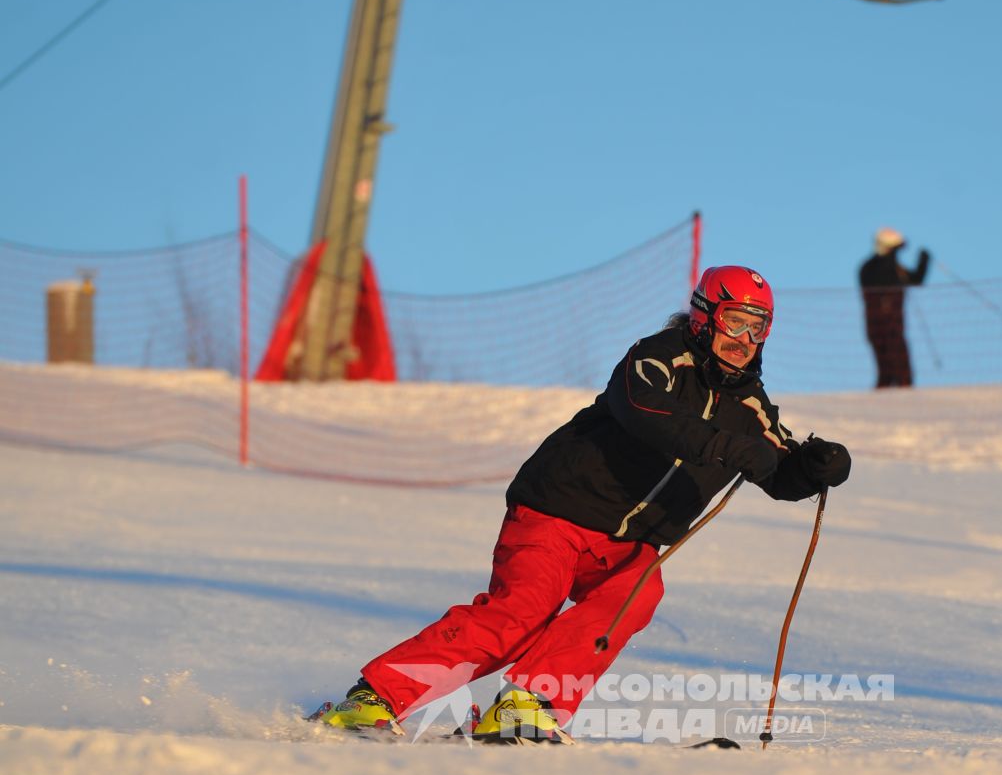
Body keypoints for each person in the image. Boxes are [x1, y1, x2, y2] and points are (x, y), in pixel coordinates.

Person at [315, 264, 852, 742]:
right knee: (521, 613)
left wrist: (815, 467)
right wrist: (734, 447)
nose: (746, 338)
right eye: (736, 321)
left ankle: (529, 701)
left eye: (760, 327)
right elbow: (647, 414)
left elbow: (777, 468)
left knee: (636, 596)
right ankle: (377, 696)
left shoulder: (750, 404)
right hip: (558, 512)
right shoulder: (656, 359)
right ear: (704, 315)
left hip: (629, 544)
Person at [858, 228, 931, 389]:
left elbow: (916, 279)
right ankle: (883, 405)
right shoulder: (869, 268)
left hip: (895, 326)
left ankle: (904, 402)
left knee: (903, 370)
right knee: (886, 370)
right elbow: (880, 278)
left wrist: (924, 261)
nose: (896, 254)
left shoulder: (897, 270)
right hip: (877, 326)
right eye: (894, 249)